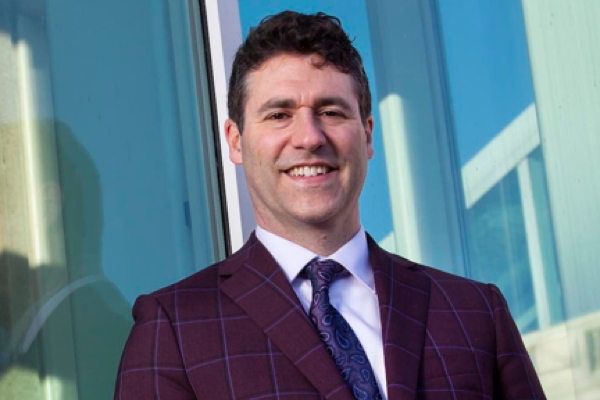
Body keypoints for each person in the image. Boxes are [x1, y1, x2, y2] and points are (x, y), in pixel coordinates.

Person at [114, 11, 546, 400]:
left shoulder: (474, 313)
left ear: (368, 134)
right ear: (236, 141)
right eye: (279, 114)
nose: (310, 137)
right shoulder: (174, 329)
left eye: (332, 112)